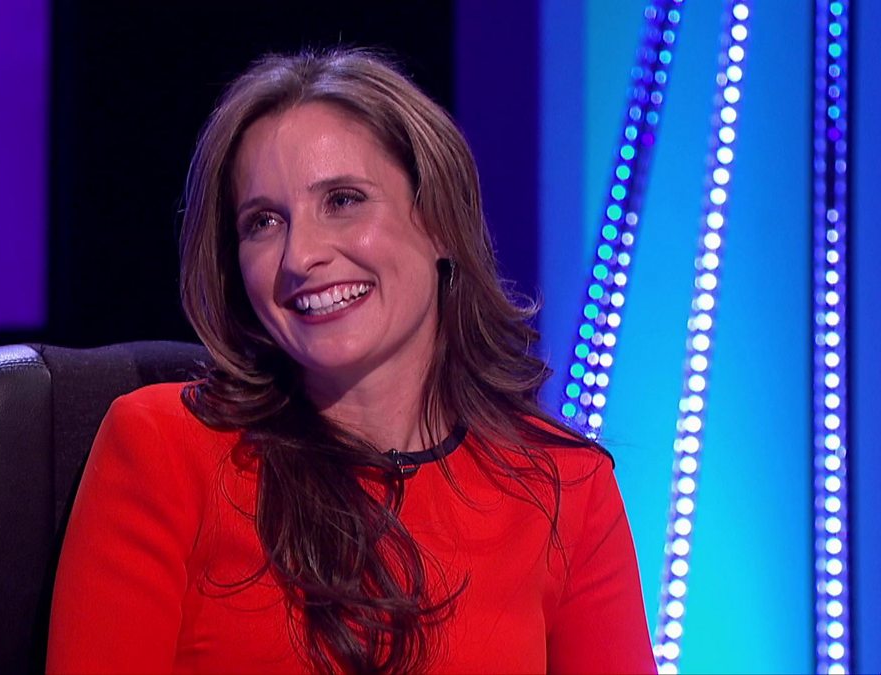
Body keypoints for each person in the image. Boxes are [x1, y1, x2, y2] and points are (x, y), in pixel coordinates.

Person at [46, 48, 655, 674]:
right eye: (263, 222)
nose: (299, 256)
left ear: (440, 221)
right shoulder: (163, 450)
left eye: (342, 200)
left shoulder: (566, 485)